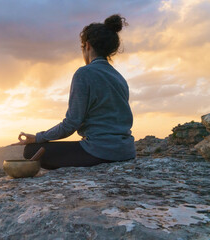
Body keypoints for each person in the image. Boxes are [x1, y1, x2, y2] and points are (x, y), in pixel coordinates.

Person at [12, 14, 136, 170]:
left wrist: (38, 137)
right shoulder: (119, 77)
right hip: (127, 151)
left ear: (88, 46)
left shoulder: (84, 73)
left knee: (31, 151)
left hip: (101, 152)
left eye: (82, 48)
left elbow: (71, 123)